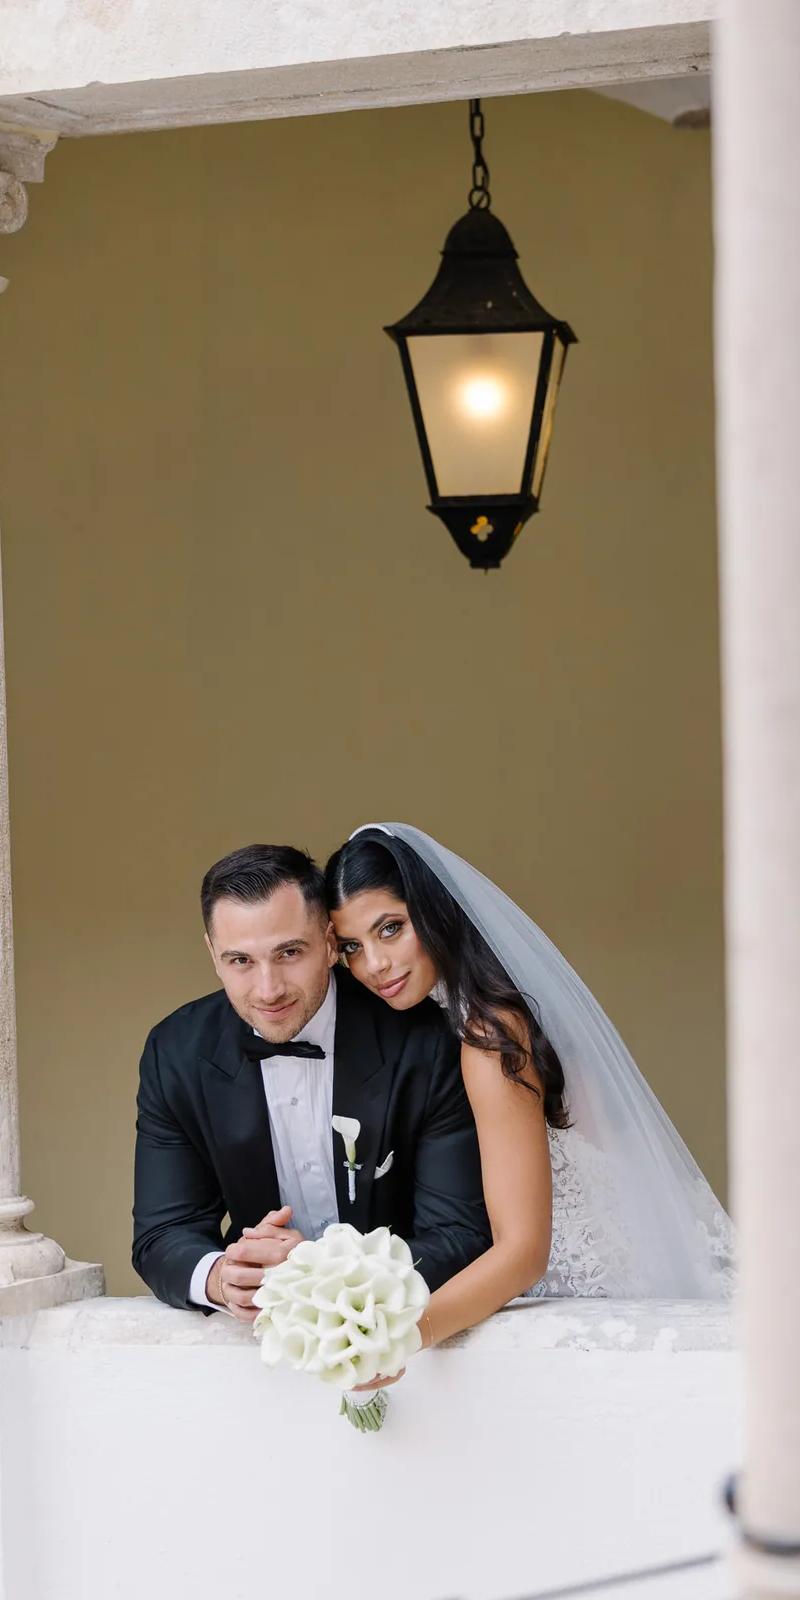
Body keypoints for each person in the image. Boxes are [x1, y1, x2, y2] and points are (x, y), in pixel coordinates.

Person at [325, 823, 735, 1350]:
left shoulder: (489, 1037)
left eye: (391, 929)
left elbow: (522, 1252)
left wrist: (391, 1337)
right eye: (352, 948)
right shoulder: (469, 1015)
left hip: (606, 1293)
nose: (374, 965)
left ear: (433, 911)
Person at [132, 843, 492, 1319]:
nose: (268, 989)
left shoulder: (425, 1040)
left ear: (328, 942)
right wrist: (223, 1279)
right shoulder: (175, 1051)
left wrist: (317, 1273)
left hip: (410, 1335)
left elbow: (459, 1235)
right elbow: (161, 1234)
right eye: (240, 961)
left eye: (289, 952)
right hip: (265, 1350)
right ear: (212, 953)